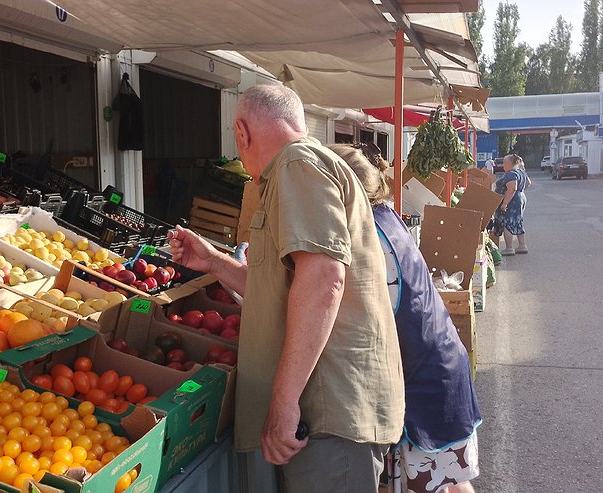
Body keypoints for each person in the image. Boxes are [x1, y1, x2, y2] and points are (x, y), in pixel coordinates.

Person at [167, 85, 405, 493]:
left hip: (326, 416)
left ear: (241, 133)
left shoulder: (297, 165)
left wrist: (284, 401)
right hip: (325, 416)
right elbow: (282, 286)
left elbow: (322, 281)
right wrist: (213, 261)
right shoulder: (299, 169)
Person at [329, 144, 481, 493]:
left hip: (426, 381)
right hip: (441, 365)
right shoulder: (386, 216)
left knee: (441, 484)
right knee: (448, 483)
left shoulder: (369, 237)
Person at [491, 154, 531, 255]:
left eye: (504, 162)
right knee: (517, 221)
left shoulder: (511, 173)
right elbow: (528, 183)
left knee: (507, 223)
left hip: (511, 200)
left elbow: (512, 188)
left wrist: (505, 203)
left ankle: (509, 248)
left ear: (510, 163)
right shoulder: (521, 172)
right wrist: (520, 192)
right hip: (520, 198)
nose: (503, 165)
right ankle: (522, 246)